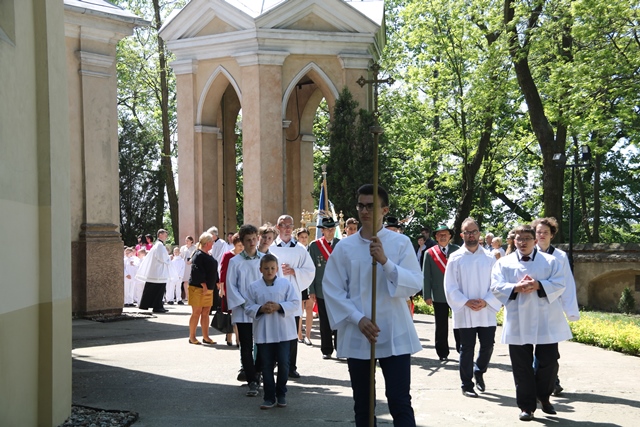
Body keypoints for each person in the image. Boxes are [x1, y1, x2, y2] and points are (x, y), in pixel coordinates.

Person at [323, 184, 423, 427]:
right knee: (364, 405)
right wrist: (357, 318)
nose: (364, 211)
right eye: (361, 206)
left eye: (370, 206)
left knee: (399, 401)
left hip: (394, 331)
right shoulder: (345, 247)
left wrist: (385, 262)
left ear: (384, 210)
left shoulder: (400, 243)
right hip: (359, 331)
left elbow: (414, 283)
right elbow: (332, 288)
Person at [491, 224, 572, 421]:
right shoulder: (504, 263)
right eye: (519, 239)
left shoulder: (551, 261)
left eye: (527, 238)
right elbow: (495, 286)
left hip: (546, 318)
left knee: (549, 362)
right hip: (518, 319)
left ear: (535, 241)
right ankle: (526, 406)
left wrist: (538, 285)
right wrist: (516, 287)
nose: (523, 242)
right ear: (514, 241)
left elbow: (561, 283)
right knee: (521, 366)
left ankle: (543, 396)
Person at [444, 218, 501, 398]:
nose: (471, 235)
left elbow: (497, 284)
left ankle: (479, 370)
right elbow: (450, 286)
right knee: (466, 348)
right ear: (462, 235)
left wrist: (486, 301)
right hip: (465, 310)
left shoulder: (490, 258)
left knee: (488, 345)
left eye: (474, 231)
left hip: (486, 309)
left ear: (479, 233)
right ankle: (467, 384)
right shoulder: (455, 258)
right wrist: (465, 301)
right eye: (467, 232)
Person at [532, 217, 580, 396]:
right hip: (531, 307)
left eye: (545, 232)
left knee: (550, 349)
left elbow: (567, 284)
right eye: (538, 232)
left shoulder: (560, 256)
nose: (542, 235)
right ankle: (543, 382)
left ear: (552, 235)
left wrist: (571, 311)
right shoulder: (528, 254)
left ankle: (552, 380)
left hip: (553, 309)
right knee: (535, 347)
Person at [245, 254, 300, 409]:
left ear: (277, 269)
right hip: (264, 332)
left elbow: (295, 303)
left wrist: (279, 306)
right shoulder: (254, 287)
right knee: (266, 365)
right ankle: (269, 396)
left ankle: (281, 393)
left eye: (272, 268)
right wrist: (261, 308)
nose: (269, 271)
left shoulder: (285, 284)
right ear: (260, 269)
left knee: (284, 363)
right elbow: (248, 307)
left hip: (283, 331)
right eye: (266, 268)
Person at [269, 215, 315, 379]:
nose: (287, 228)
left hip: (293, 295)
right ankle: (273, 363)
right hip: (274, 294)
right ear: (278, 227)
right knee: (274, 331)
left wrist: (295, 271)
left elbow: (310, 270)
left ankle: (290, 366)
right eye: (284, 225)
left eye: (290, 225)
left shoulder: (300, 249)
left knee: (292, 332)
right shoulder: (271, 248)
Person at [226, 224, 264, 397]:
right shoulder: (235, 262)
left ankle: (258, 371)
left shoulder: (265, 259)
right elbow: (231, 286)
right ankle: (251, 380)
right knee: (246, 346)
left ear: (258, 239)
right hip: (243, 310)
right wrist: (245, 304)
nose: (252, 243)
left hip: (262, 310)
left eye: (254, 239)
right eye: (248, 240)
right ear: (242, 241)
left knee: (263, 344)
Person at [423, 225, 461, 360]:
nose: (443, 237)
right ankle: (442, 352)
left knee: (459, 323)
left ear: (450, 236)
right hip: (439, 294)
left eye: (445, 234)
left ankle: (462, 349)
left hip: (457, 294)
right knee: (441, 325)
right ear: (436, 237)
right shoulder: (429, 253)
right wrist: (427, 295)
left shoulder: (458, 251)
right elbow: (426, 276)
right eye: (440, 234)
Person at [308, 217, 340, 359]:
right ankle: (326, 350)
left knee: (339, 319)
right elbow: (311, 269)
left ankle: (340, 347)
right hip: (321, 289)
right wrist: (311, 290)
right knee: (324, 321)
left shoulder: (340, 244)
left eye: (332, 229)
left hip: (338, 289)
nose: (330, 232)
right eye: (327, 229)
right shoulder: (314, 246)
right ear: (322, 230)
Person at [188, 232, 218, 345]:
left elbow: (213, 270)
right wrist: (204, 285)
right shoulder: (198, 255)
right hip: (198, 287)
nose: (213, 243)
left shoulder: (209, 254)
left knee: (206, 312)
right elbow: (196, 271)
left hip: (209, 287)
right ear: (207, 243)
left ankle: (206, 337)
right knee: (196, 312)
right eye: (212, 241)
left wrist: (217, 282)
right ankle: (192, 337)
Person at [136, 229, 173, 313]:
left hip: (157, 271)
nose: (166, 237)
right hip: (158, 272)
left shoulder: (158, 244)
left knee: (156, 289)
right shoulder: (159, 245)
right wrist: (168, 258)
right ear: (160, 235)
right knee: (158, 289)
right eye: (165, 235)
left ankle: (157, 306)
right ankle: (157, 306)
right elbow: (161, 257)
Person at [218, 232, 243, 346]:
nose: (241, 248)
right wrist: (221, 288)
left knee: (238, 313)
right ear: (234, 244)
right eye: (239, 245)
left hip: (241, 288)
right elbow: (223, 273)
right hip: (229, 288)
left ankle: (237, 338)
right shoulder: (228, 255)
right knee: (229, 313)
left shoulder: (245, 256)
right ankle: (231, 336)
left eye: (243, 245)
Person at [295, 226, 314, 345]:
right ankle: (299, 334)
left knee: (309, 308)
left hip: (310, 281)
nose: (304, 239)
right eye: (301, 237)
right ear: (297, 237)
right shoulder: (295, 249)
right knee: (300, 309)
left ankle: (308, 335)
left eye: (306, 237)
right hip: (299, 281)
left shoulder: (311, 249)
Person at [180, 236, 197, 305]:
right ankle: (187, 296)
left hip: (191, 265)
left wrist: (191, 261)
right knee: (185, 281)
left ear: (191, 241)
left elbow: (195, 256)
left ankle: (192, 296)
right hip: (184, 265)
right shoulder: (183, 248)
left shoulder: (195, 247)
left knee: (192, 281)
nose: (186, 242)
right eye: (186, 240)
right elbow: (181, 256)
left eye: (188, 240)